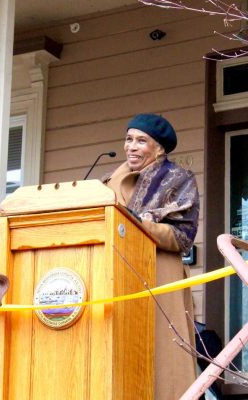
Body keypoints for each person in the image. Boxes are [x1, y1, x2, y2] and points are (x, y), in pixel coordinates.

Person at [102, 113, 200, 399]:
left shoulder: (178, 179)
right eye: (129, 139)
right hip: (111, 274)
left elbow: (183, 236)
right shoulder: (108, 180)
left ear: (159, 148)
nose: (131, 146)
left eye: (141, 141)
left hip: (158, 274)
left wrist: (139, 224)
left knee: (162, 357)